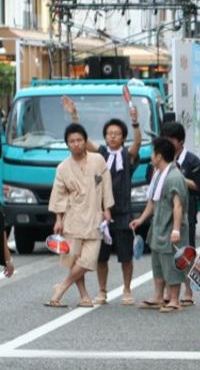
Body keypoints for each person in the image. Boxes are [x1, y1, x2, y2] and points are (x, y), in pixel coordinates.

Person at [62, 95, 141, 306]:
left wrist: (135, 122)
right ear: (105, 137)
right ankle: (102, 290)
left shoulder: (127, 156)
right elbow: (82, 141)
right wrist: (74, 115)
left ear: (123, 137)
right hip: (100, 214)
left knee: (126, 256)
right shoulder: (101, 154)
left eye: (117, 134)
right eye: (109, 134)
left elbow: (137, 144)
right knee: (101, 256)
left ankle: (127, 289)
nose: (112, 136)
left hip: (123, 213)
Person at [46, 124, 114, 308]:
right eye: (72, 141)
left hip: (94, 217)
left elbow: (106, 185)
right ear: (67, 144)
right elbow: (59, 195)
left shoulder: (98, 160)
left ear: (85, 141)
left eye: (79, 140)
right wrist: (58, 219)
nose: (76, 144)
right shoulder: (63, 167)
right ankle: (84, 296)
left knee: (88, 260)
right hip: (72, 218)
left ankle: (61, 287)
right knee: (74, 259)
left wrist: (107, 208)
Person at [130, 138, 189, 313]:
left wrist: (176, 229)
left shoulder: (174, 177)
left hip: (170, 228)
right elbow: (153, 201)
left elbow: (178, 205)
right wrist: (141, 219)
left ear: (159, 156)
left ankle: (174, 300)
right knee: (157, 263)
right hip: (158, 226)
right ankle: (158, 296)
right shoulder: (158, 174)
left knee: (171, 263)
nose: (151, 157)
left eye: (152, 153)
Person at [161, 122, 200, 307]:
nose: (166, 143)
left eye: (170, 140)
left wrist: (180, 178)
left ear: (180, 141)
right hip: (166, 213)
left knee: (186, 252)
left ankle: (188, 291)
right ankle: (168, 290)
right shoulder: (161, 160)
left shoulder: (192, 161)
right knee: (167, 252)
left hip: (187, 212)